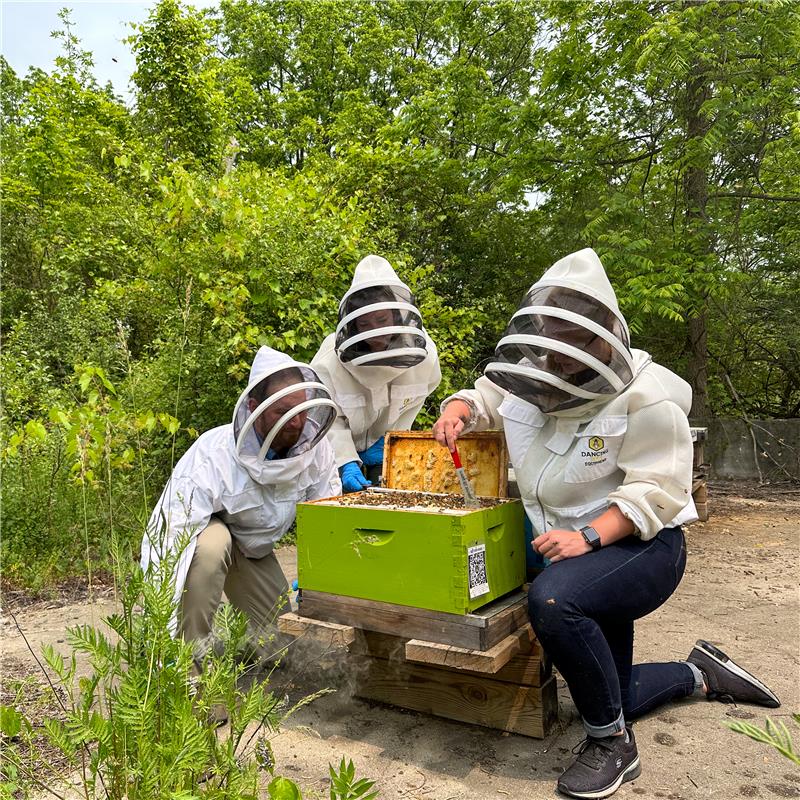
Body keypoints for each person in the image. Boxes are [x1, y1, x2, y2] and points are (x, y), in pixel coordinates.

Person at [433, 248, 780, 799]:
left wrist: (589, 535)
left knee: (553, 601)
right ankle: (700, 673)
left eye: (578, 339)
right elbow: (487, 396)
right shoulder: (530, 376)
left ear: (603, 334)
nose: (564, 355)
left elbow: (656, 491)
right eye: (554, 334)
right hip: (560, 540)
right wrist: (458, 408)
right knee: (603, 683)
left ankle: (612, 744)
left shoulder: (649, 399)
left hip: (639, 542)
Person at [140, 347, 340, 681]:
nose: (296, 422)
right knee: (213, 542)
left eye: (303, 410)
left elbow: (327, 522)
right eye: (282, 411)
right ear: (253, 408)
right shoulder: (212, 455)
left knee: (277, 650)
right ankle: (188, 668)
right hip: (208, 541)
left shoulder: (316, 453)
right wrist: (159, 637)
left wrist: (318, 580)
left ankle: (233, 644)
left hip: (253, 550)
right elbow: (170, 540)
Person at [252, 255, 441, 492]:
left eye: (382, 320)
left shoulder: (424, 357)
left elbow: (415, 399)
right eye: (365, 325)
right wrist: (345, 460)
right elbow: (322, 414)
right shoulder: (329, 362)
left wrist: (393, 437)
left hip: (384, 446)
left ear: (396, 314)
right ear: (353, 325)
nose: (375, 331)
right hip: (334, 451)